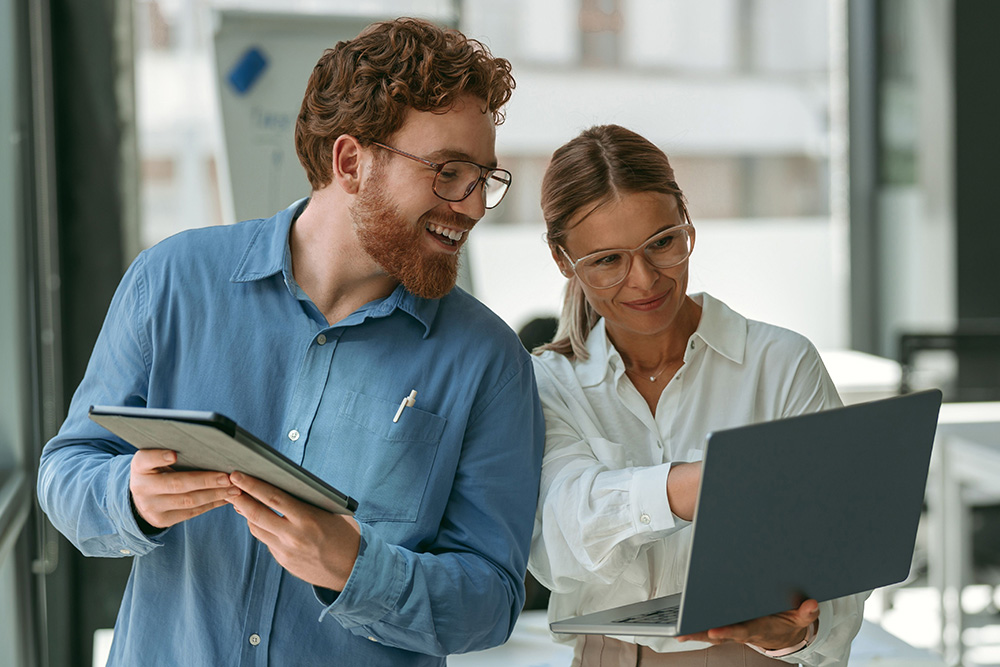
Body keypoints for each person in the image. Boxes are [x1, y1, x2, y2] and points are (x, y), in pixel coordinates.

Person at [37, 18, 544, 666]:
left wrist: (356, 568)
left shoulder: (490, 362)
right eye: (448, 172)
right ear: (350, 161)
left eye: (484, 178)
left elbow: (492, 599)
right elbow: (65, 471)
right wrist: (127, 495)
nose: (472, 205)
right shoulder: (171, 282)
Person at [527, 124, 866, 666]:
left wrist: (795, 635)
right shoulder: (547, 383)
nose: (644, 281)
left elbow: (843, 561)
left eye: (662, 243)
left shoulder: (780, 364)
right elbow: (558, 542)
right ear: (565, 261)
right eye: (608, 261)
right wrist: (696, 485)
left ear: (686, 220)